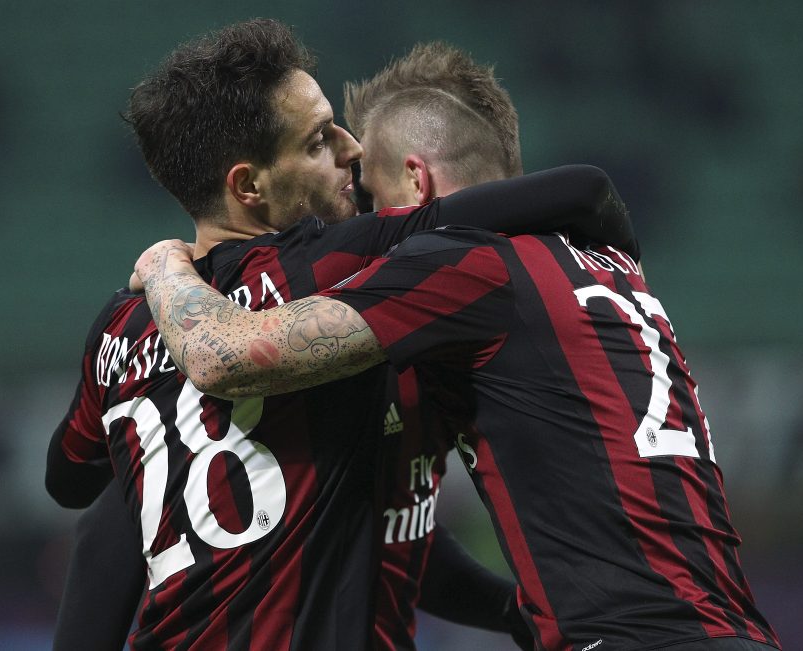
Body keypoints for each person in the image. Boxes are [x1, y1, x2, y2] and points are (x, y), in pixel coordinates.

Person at [131, 61, 781, 651]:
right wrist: (509, 609)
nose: (370, 236)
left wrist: (165, 264)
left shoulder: (462, 264)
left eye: (377, 203)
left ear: (416, 181)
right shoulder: (607, 267)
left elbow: (223, 356)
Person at [46, 19, 637, 650]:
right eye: (320, 141)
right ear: (250, 186)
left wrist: (165, 266)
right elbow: (569, 192)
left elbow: (72, 482)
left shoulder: (120, 323)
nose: (352, 151)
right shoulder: (326, 268)